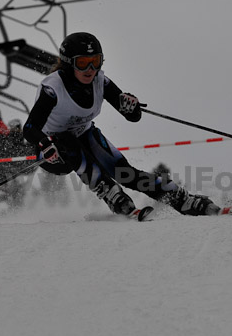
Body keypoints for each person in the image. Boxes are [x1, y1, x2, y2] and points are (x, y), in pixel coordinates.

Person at [23, 32, 220, 217]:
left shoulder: (100, 81)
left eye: (95, 62)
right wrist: (45, 144)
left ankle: (183, 200)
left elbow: (132, 116)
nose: (90, 70)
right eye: (82, 63)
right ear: (68, 64)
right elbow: (29, 129)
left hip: (85, 135)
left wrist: (130, 106)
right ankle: (113, 196)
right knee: (68, 142)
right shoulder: (52, 88)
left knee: (124, 172)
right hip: (53, 152)